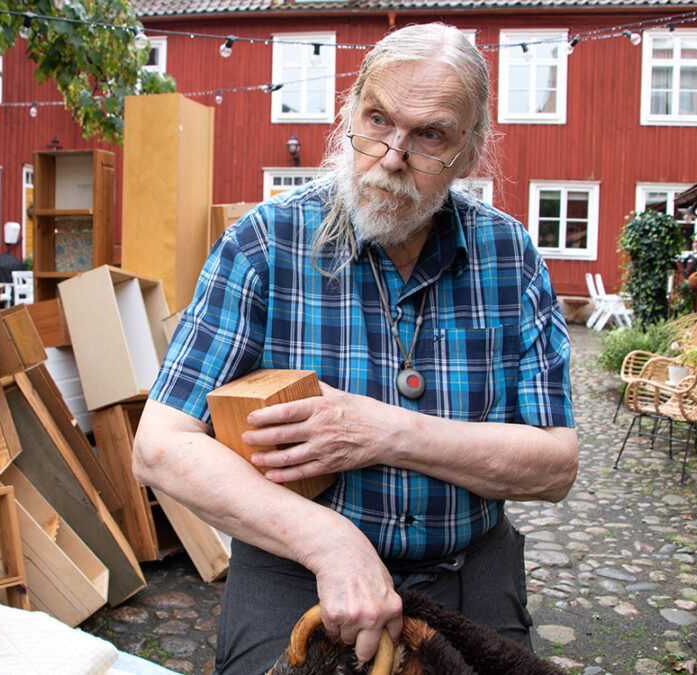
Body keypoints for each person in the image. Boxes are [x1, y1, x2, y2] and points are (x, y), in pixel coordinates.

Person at [133, 22, 578, 673]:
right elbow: (160, 444)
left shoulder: (510, 258)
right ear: (348, 114)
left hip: (467, 567)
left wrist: (382, 431)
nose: (393, 155)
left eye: (430, 135)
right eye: (377, 119)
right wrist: (330, 540)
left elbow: (554, 465)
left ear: (470, 152)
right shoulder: (264, 244)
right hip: (293, 566)